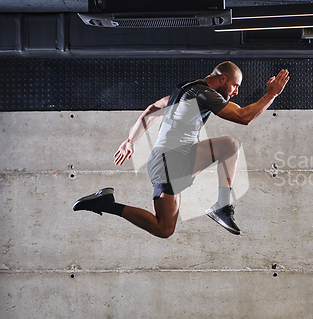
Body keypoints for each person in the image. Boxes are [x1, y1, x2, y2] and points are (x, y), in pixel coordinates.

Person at [73, 61, 289, 238]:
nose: (236, 92)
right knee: (230, 146)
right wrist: (272, 94)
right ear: (222, 78)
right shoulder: (204, 93)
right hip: (172, 159)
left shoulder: (185, 89)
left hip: (163, 161)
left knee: (164, 228)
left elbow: (152, 109)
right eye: (235, 85)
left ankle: (105, 203)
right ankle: (222, 207)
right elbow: (244, 116)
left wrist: (131, 140)